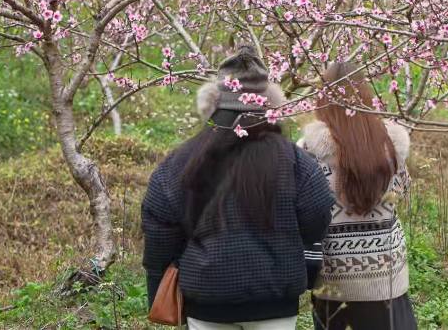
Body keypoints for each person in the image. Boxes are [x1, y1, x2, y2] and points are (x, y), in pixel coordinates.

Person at [142, 45, 336, 330]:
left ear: (214, 99)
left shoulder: (183, 159)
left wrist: (157, 284)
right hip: (275, 299)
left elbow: (160, 228)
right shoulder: (293, 159)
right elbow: (318, 213)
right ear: (268, 100)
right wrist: (294, 249)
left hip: (207, 298)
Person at [298, 62, 418, 330]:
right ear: (365, 97)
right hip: (386, 277)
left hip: (334, 280)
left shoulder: (307, 152)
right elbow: (403, 193)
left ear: (323, 99)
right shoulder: (391, 147)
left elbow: (304, 213)